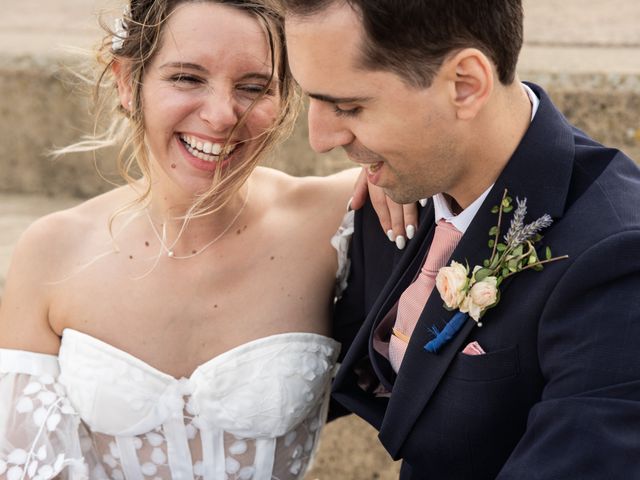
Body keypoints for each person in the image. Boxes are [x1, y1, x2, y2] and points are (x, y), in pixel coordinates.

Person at [0, 1, 414, 478]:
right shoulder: (51, 252)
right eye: (186, 78)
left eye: (254, 87)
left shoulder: (343, 214)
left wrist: (398, 167)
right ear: (126, 80)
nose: (221, 116)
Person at [282, 0, 640, 478]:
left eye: (349, 106)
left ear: (466, 85)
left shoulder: (616, 258)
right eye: (312, 99)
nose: (320, 138)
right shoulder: (401, 191)